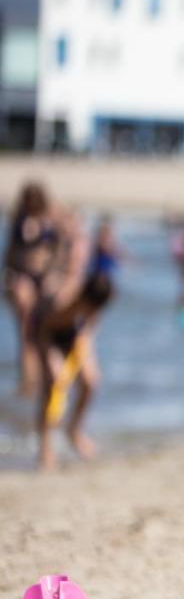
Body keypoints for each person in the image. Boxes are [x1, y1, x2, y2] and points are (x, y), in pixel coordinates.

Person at [33, 264, 113, 471]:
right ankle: (45, 447)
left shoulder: (94, 301)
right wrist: (50, 361)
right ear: (83, 299)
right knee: (53, 383)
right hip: (46, 334)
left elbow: (91, 323)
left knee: (91, 382)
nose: (94, 312)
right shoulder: (60, 301)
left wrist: (84, 340)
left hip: (73, 334)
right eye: (91, 308)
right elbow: (41, 331)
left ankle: (74, 431)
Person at [3, 182, 66, 394]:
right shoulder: (20, 219)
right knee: (25, 332)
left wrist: (55, 273)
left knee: (42, 332)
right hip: (22, 278)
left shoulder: (51, 217)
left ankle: (39, 381)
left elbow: (62, 248)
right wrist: (10, 276)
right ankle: (27, 382)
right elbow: (10, 253)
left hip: (44, 279)